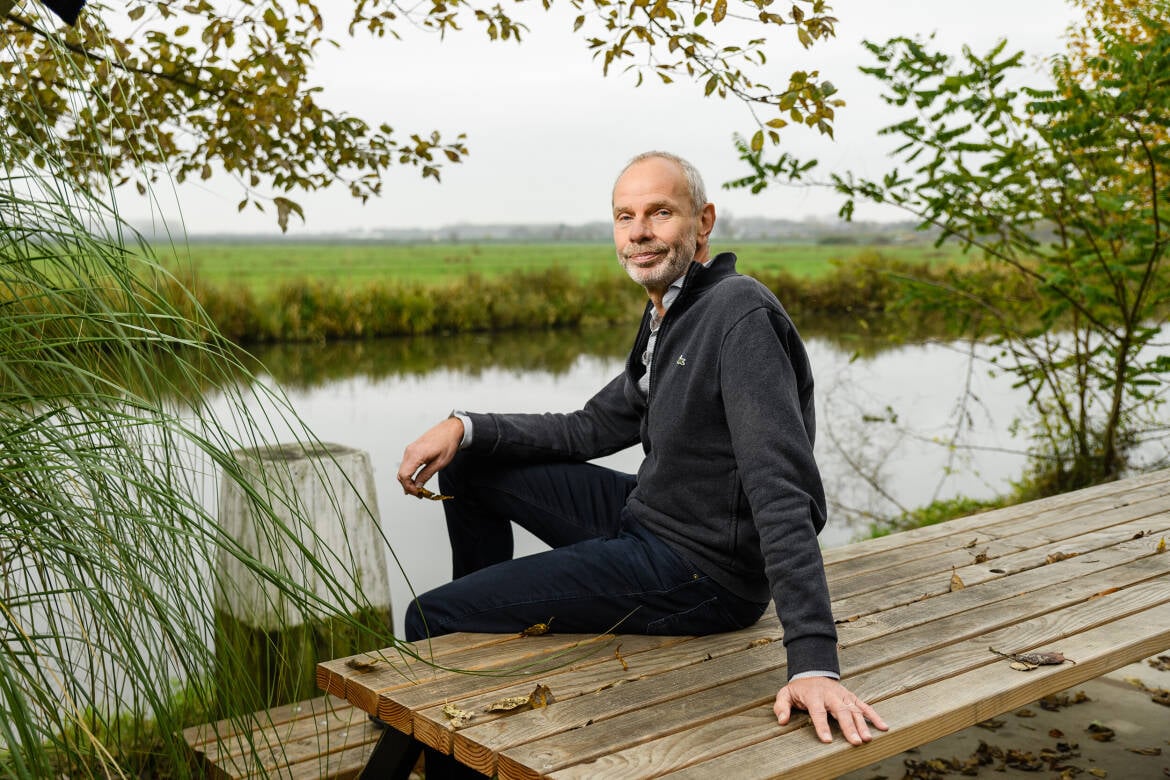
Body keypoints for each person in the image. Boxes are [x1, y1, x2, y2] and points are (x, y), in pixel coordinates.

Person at [397, 151, 887, 746]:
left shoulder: (738, 316)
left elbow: (780, 487)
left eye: (660, 213)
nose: (639, 233)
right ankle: (484, 637)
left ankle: (462, 687)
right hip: (649, 520)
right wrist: (464, 425)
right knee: (472, 464)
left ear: (703, 221)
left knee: (430, 615)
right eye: (625, 217)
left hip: (704, 574)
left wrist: (813, 660)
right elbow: (589, 428)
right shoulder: (669, 313)